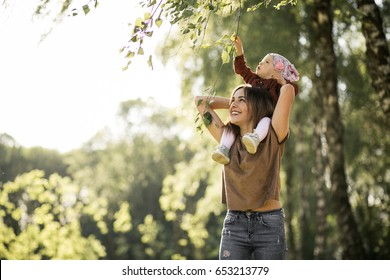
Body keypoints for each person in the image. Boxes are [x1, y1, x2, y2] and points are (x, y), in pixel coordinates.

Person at [194, 80, 295, 259]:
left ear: (257, 105)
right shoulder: (227, 139)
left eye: (242, 100)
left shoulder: (274, 133)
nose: (233, 103)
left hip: (269, 225)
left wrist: (257, 99)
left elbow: (288, 89)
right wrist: (236, 102)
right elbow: (201, 102)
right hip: (234, 224)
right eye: (233, 100)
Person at [211, 35, 299, 165]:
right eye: (261, 61)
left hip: (264, 118)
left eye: (266, 62)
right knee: (231, 127)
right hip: (249, 115)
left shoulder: (277, 86)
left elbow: (291, 91)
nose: (260, 63)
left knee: (266, 120)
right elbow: (242, 69)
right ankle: (224, 149)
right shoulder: (253, 80)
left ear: (276, 70)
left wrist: (282, 81)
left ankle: (255, 138)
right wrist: (239, 50)